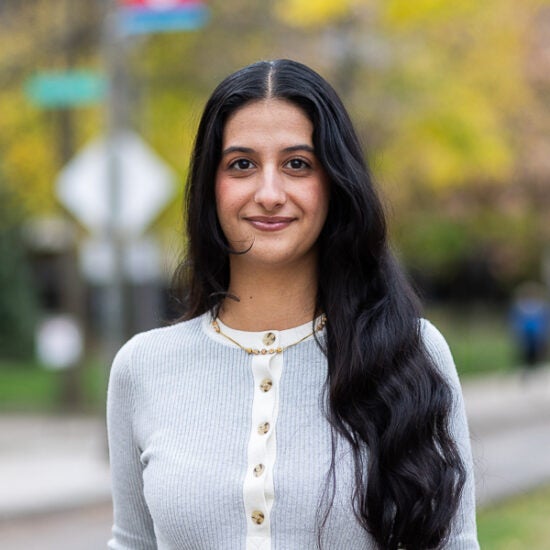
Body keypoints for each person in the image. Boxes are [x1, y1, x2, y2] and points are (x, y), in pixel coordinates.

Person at [107, 59, 479, 549]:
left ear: (334, 183)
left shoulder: (411, 352)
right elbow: (132, 543)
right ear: (210, 187)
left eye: (297, 164)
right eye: (241, 164)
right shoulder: (143, 366)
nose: (269, 193)